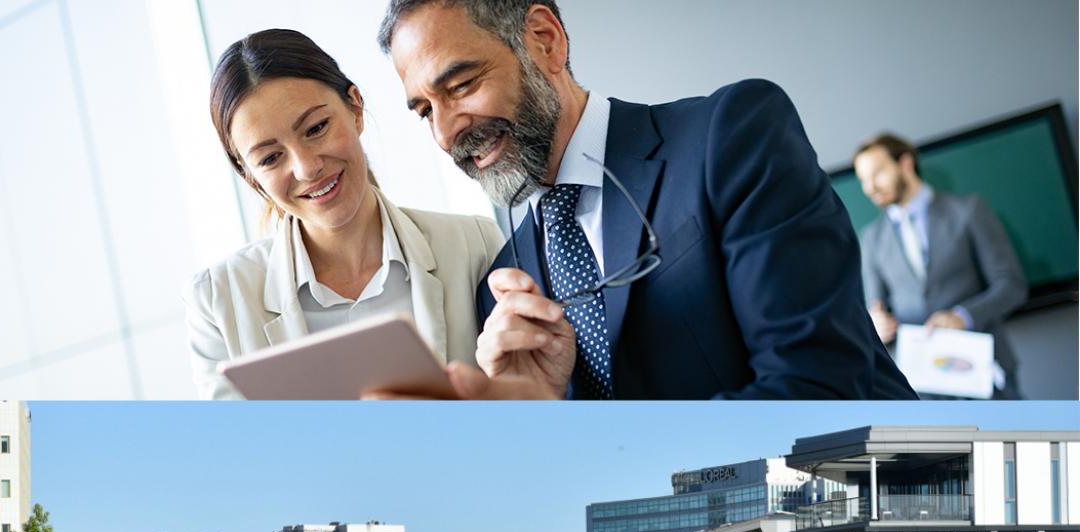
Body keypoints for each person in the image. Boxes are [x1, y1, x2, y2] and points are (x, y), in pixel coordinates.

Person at [376, 0, 917, 400]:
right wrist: (542, 425)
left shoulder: (730, 136)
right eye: (424, 111)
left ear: (545, 40)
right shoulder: (502, 293)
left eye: (462, 85)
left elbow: (818, 388)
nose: (445, 134)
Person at [184, 29, 505, 399]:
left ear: (354, 108)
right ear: (249, 175)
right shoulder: (217, 301)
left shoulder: (475, 247)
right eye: (271, 158)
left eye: (316, 128)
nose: (306, 168)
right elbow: (237, 450)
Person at [853, 133, 1028, 398]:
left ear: (905, 163)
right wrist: (875, 325)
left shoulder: (969, 210)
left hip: (987, 377)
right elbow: (875, 309)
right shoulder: (871, 239)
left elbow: (1011, 285)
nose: (870, 188)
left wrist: (962, 316)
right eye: (863, 180)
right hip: (922, 388)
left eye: (877, 173)